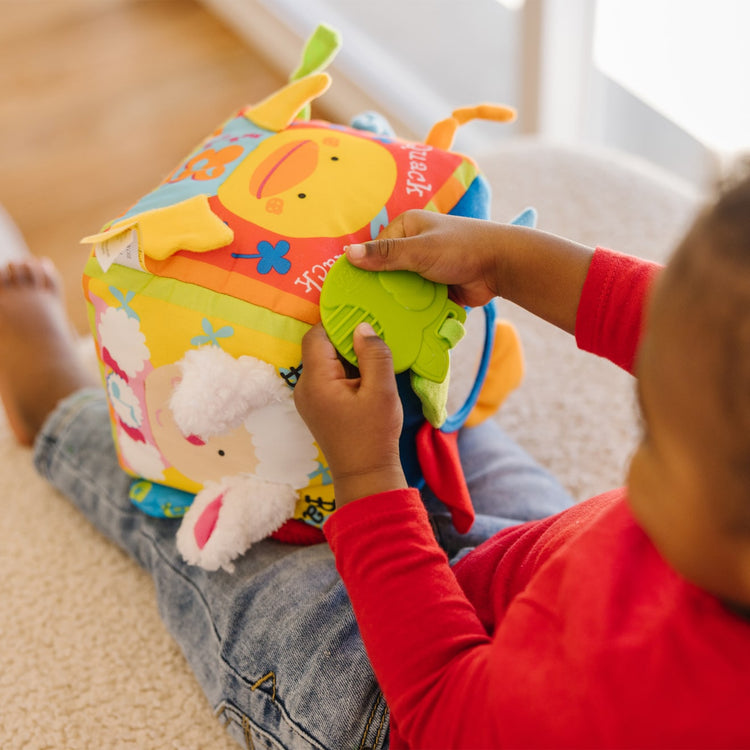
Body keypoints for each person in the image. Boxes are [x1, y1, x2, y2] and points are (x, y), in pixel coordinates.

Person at [0, 164, 747, 747]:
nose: (633, 446)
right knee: (432, 417)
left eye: (653, 436)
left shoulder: (645, 701)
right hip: (546, 569)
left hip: (402, 710)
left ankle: (54, 404)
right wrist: (507, 260)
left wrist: (367, 477)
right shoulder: (717, 504)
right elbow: (650, 318)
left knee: (234, 536)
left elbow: (442, 703)